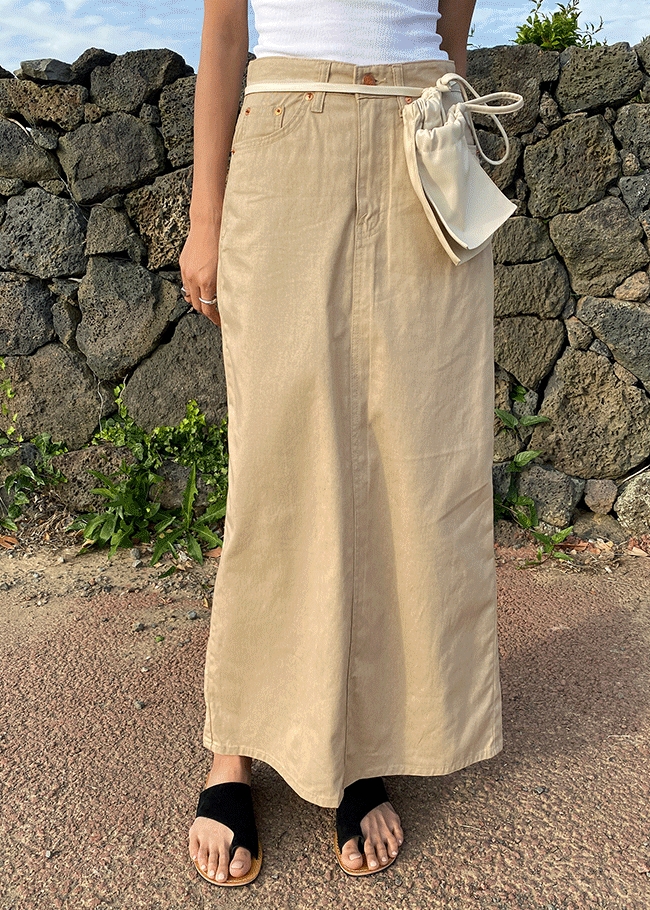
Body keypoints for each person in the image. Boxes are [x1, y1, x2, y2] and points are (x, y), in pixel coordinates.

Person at [181, 0, 503, 886]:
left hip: (417, 133)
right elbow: (224, 30)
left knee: (412, 460)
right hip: (289, 124)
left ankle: (365, 740)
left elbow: (452, 16)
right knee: (276, 465)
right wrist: (206, 215)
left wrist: (437, 104)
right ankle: (233, 747)